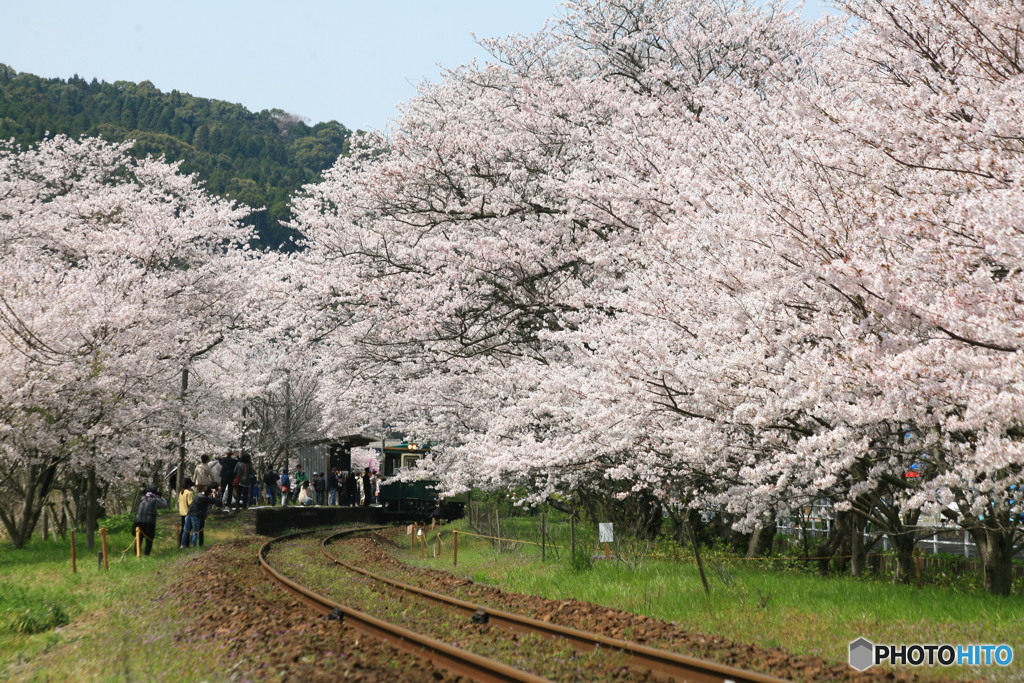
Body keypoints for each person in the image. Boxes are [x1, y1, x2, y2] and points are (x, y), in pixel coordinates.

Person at [133, 487, 168, 556]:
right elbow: (165, 505)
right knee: (149, 538)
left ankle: (136, 553)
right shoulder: (155, 499)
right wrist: (161, 497)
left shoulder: (143, 498)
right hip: (149, 521)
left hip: (138, 520)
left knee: (139, 538)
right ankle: (146, 554)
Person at [177, 480, 195, 549]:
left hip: (182, 512)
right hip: (188, 513)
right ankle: (186, 544)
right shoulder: (189, 493)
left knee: (183, 528)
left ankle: (181, 542)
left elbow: (178, 502)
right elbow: (190, 503)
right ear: (189, 486)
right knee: (188, 529)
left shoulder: (181, 492)